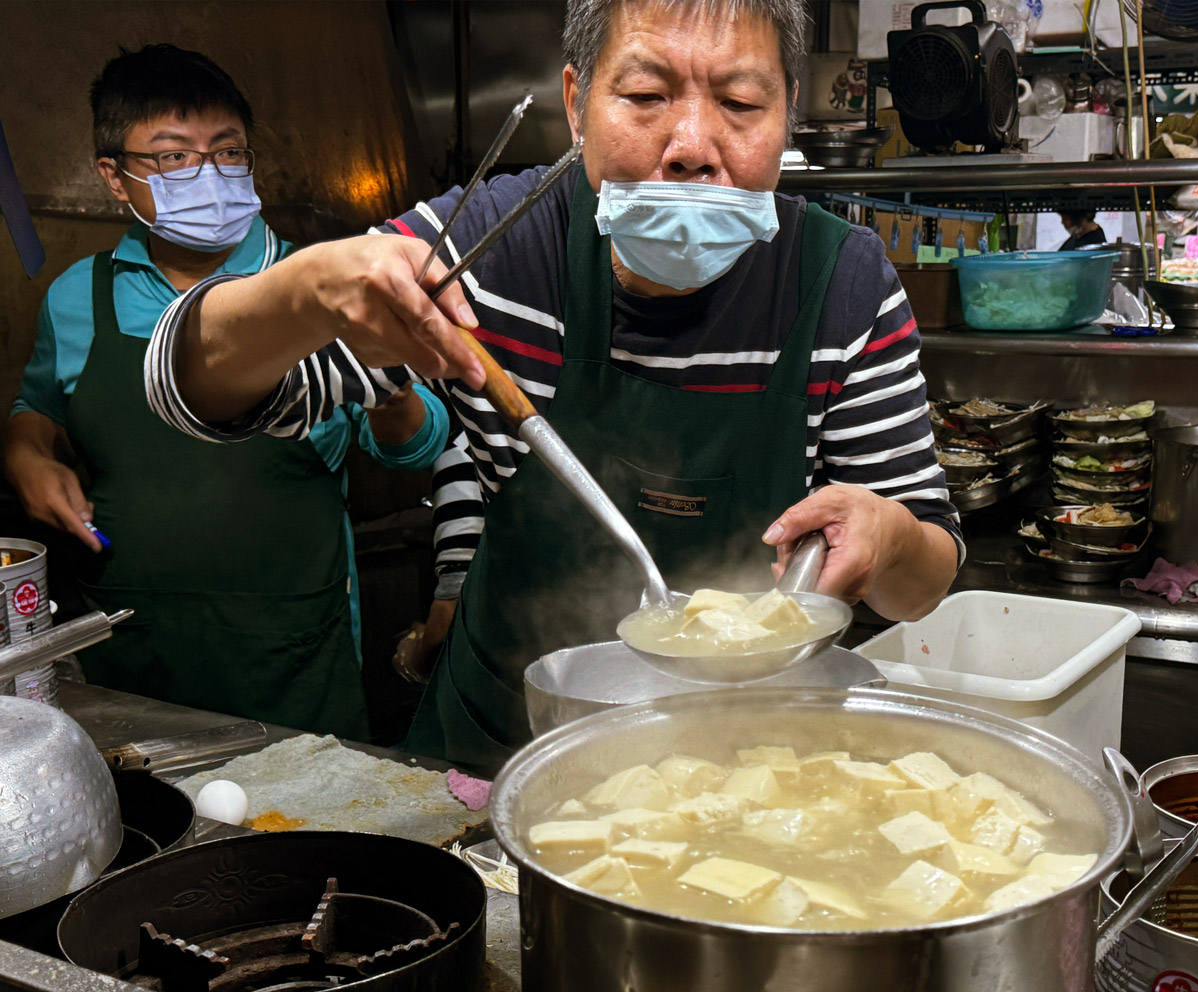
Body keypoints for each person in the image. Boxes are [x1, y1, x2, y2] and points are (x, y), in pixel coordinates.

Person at [142, 0, 964, 771]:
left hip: (757, 760)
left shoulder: (842, 286)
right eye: (645, 94)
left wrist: (890, 537)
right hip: (511, 743)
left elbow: (922, 585)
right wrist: (299, 292)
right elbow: (192, 394)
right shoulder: (489, 251)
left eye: (742, 104)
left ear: (788, 109)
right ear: (576, 105)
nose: (691, 143)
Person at [3, 45, 450, 738]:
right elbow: (37, 412)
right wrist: (28, 456)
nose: (207, 174)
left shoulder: (316, 285)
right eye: (173, 156)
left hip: (290, 650)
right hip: (132, 648)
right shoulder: (78, 298)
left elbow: (410, 451)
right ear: (114, 177)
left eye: (227, 152)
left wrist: (394, 390)